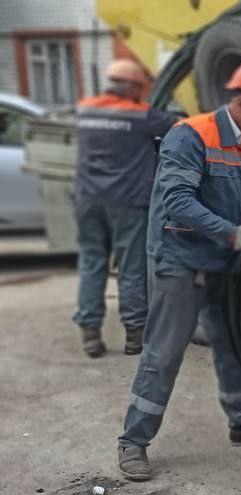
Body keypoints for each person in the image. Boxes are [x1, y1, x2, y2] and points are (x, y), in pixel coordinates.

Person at [117, 62, 241, 482]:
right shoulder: (191, 135)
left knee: (236, 341)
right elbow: (177, 201)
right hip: (182, 259)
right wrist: (237, 235)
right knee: (164, 351)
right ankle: (133, 441)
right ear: (240, 102)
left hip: (226, 261)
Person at [73, 59, 179, 358]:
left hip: (87, 199)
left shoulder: (85, 109)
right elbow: (179, 127)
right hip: (127, 202)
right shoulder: (140, 114)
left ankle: (90, 335)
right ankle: (135, 335)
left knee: (92, 263)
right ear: (132, 87)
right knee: (131, 268)